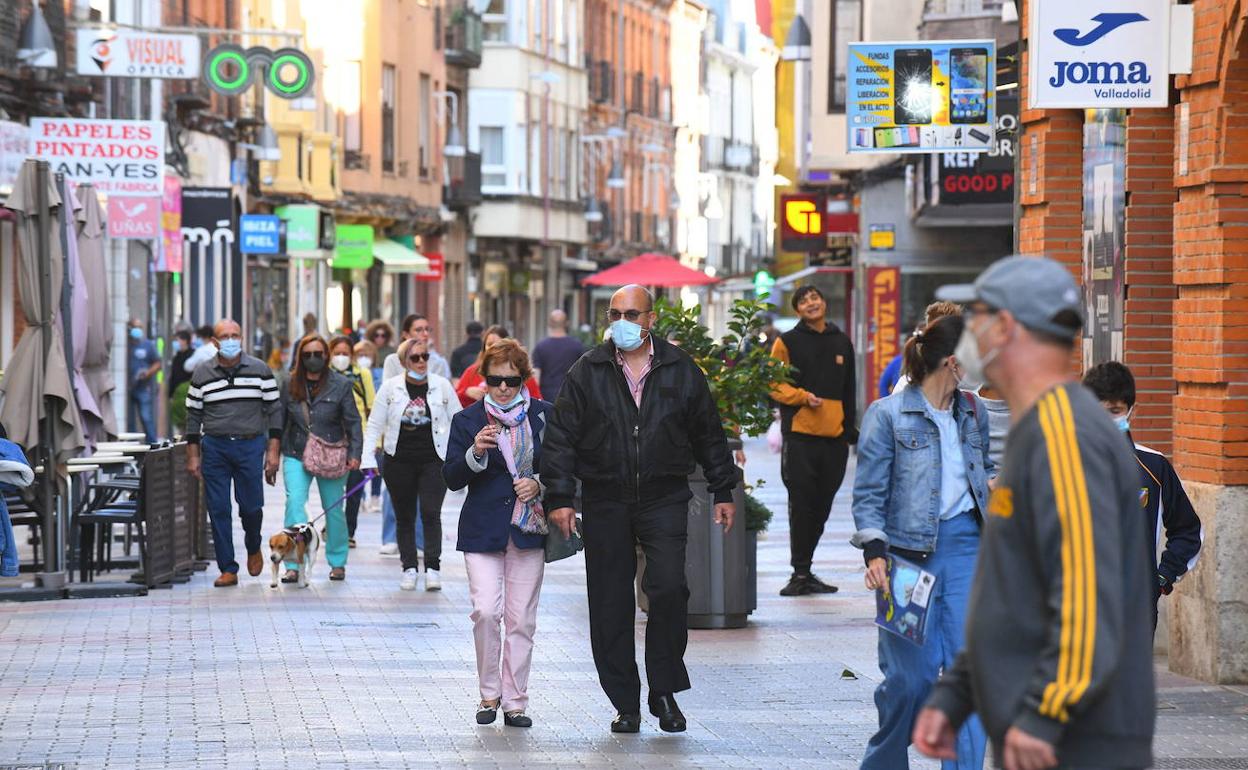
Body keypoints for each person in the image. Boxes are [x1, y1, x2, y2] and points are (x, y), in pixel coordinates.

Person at [914, 256, 1156, 770]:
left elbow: (1088, 594)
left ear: (1005, 328)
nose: (966, 335)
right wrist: (957, 694)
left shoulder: (1065, 435)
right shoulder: (1037, 428)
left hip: (1073, 739)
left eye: (975, 317)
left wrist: (1046, 712)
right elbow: (1016, 589)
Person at [541, 284, 737, 735]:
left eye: (632, 314)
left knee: (668, 588)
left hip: (663, 494)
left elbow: (708, 432)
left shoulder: (680, 368)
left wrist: (723, 490)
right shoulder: (586, 371)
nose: (623, 323)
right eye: (615, 314)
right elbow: (561, 439)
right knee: (609, 601)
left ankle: (664, 691)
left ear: (651, 319)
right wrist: (561, 498)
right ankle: (624, 701)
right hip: (605, 496)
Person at [852, 313, 993, 770]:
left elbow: (975, 474)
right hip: (906, 557)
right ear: (952, 361)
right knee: (909, 681)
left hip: (967, 551)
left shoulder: (974, 411)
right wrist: (875, 550)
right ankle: (885, 761)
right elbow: (870, 492)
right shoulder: (887, 415)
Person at [443, 339, 551, 729]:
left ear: (524, 379)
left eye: (512, 380)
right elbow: (452, 477)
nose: (504, 388)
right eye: (495, 380)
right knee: (486, 611)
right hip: (482, 529)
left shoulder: (543, 416)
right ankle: (489, 694)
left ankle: (515, 702)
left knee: (521, 619)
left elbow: (565, 469)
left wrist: (538, 484)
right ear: (483, 378)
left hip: (529, 529)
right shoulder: (468, 420)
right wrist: (475, 453)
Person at [1082, 361, 1203, 630]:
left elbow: (1188, 530)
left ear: (1131, 412)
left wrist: (1162, 578)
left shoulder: (1154, 467)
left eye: (1115, 411)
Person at [768, 285, 857, 596]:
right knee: (802, 504)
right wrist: (802, 397)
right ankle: (800, 572)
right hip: (801, 436)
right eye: (803, 301)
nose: (811, 303)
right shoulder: (787, 341)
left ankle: (806, 568)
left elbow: (849, 389)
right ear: (797, 310)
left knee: (823, 505)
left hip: (834, 438)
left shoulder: (842, 341)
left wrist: (849, 432)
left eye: (815, 298)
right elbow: (773, 383)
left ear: (823, 302)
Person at [185, 319, 283, 587]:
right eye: (224, 336)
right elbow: (193, 417)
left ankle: (253, 545)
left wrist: (273, 453)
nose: (231, 340)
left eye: (235, 335)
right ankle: (227, 567)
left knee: (251, 507)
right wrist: (193, 455)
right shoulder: (202, 374)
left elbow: (275, 411)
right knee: (218, 508)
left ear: (242, 337)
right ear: (214, 342)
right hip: (215, 446)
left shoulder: (260, 370)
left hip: (250, 445)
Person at [362, 338, 462, 590]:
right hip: (398, 460)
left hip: (433, 459)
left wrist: (462, 455)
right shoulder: (390, 388)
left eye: (424, 357)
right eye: (414, 358)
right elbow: (374, 425)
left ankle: (432, 568)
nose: (420, 362)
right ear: (404, 361)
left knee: (430, 513)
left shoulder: (441, 386)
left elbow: (459, 420)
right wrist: (367, 459)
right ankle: (408, 567)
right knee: (404, 516)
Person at [276, 335, 363, 582]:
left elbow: (353, 423)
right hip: (296, 451)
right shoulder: (289, 383)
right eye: (307, 355)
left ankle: (337, 561)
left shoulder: (341, 384)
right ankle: (293, 563)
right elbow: (278, 421)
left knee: (334, 509)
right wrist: (272, 453)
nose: (312, 359)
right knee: (294, 502)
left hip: (332, 453)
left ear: (326, 356)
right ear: (300, 358)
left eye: (318, 354)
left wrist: (355, 454)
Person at [330, 335, 375, 548]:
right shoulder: (326, 375)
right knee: (333, 490)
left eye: (345, 353)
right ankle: (334, 527)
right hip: (331, 439)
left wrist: (376, 441)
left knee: (354, 489)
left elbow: (371, 406)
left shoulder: (361, 374)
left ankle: (349, 531)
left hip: (359, 437)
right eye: (337, 353)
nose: (341, 357)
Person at [456, 325, 543, 408]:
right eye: (489, 344)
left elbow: (537, 402)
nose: (503, 387)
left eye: (511, 380)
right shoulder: (472, 371)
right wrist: (466, 392)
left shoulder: (519, 371)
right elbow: (454, 399)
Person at [353, 339, 384, 513]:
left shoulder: (379, 374)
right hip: (358, 424)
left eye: (367, 355)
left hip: (376, 421)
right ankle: (361, 497)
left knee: (377, 461)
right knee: (360, 463)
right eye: (360, 355)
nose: (363, 358)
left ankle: (374, 496)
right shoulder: (353, 374)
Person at [532, 309, 587, 402]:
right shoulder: (577, 346)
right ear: (567, 323)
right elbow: (584, 376)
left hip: (547, 398)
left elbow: (536, 379)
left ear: (549, 323)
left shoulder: (540, 347)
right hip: (571, 397)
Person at [383, 314, 451, 381]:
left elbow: (442, 389)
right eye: (418, 330)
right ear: (406, 335)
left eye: (427, 329)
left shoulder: (438, 362)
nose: (425, 334)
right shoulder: (392, 361)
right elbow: (388, 390)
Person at [126, 319, 162, 443]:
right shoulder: (125, 345)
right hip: (127, 388)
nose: (138, 330)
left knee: (146, 417)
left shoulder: (147, 345)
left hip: (143, 387)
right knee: (129, 421)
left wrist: (147, 373)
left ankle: (152, 444)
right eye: (136, 327)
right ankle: (130, 447)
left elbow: (158, 363)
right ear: (129, 328)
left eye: (140, 327)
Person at [168, 329, 194, 435]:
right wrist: (171, 394)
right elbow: (173, 376)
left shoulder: (193, 356)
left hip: (188, 393)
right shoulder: (176, 357)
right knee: (179, 424)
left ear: (184, 341)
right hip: (177, 394)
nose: (175, 342)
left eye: (177, 340)